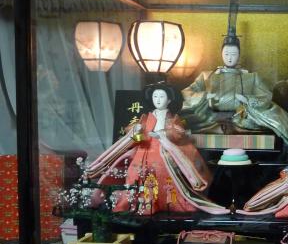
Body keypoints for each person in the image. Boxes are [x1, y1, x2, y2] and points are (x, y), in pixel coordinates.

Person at [85, 82, 227, 215]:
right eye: (155, 96)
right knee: (135, 174)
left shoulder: (173, 118)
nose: (158, 99)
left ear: (169, 100)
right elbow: (134, 132)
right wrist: (136, 130)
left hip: (163, 151)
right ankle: (137, 203)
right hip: (144, 150)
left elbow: (178, 132)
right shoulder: (147, 117)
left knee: (163, 176)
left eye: (161, 96)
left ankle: (168, 203)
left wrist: (163, 134)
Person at [180, 35, 288, 148]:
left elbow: (266, 96)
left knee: (272, 117)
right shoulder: (206, 76)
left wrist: (247, 99)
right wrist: (204, 96)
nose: (230, 58)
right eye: (226, 54)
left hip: (243, 116)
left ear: (239, 55)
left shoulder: (251, 77)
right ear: (221, 54)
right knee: (186, 120)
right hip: (211, 117)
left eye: (233, 54)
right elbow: (187, 92)